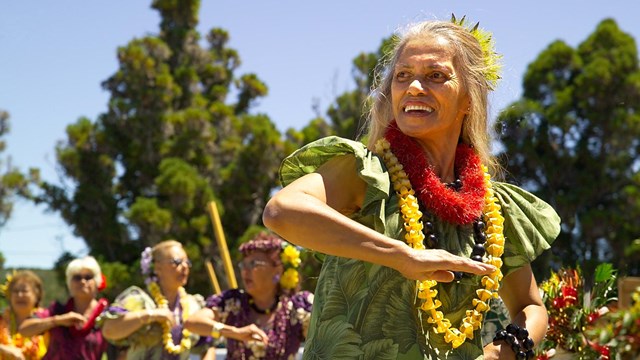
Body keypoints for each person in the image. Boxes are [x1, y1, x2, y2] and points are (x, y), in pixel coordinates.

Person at [262, 16, 561, 360]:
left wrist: (499, 353)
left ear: (469, 98)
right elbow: (282, 211)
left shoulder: (493, 210)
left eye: (435, 75)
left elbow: (530, 307)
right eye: (403, 75)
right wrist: (403, 256)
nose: (414, 87)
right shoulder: (366, 172)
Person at [185, 232, 313, 360]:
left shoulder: (296, 309)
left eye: (254, 264)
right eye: (243, 265)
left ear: (277, 271)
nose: (245, 270)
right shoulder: (232, 303)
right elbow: (192, 323)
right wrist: (235, 332)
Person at [99, 240, 206, 359]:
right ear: (157, 268)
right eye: (177, 262)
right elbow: (109, 330)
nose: (185, 266)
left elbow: (208, 345)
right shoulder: (138, 300)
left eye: (187, 262)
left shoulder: (194, 305)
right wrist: (150, 315)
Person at [19, 256, 108, 360]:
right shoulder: (57, 310)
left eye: (88, 277)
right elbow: (24, 329)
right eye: (77, 277)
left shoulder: (106, 315)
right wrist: (57, 321)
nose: (83, 281)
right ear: (69, 283)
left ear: (98, 281)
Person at [0, 270, 48, 360]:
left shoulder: (47, 322)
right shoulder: (1, 320)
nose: (20, 295)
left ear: (36, 295)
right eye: (15, 291)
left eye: (24, 291)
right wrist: (2, 348)